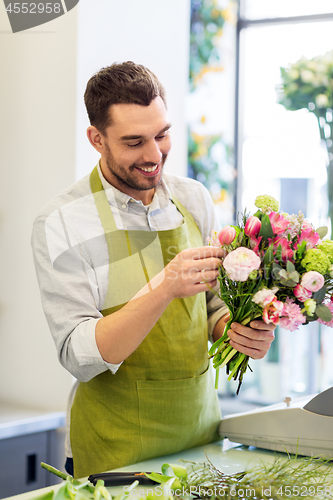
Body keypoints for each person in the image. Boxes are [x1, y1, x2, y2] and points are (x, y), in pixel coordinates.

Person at [32, 61, 275, 479]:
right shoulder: (61, 222)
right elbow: (80, 357)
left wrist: (240, 333)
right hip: (116, 449)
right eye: (133, 142)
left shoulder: (192, 198)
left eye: (162, 135)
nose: (152, 155)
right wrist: (164, 286)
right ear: (97, 139)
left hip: (201, 439)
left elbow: (212, 305)